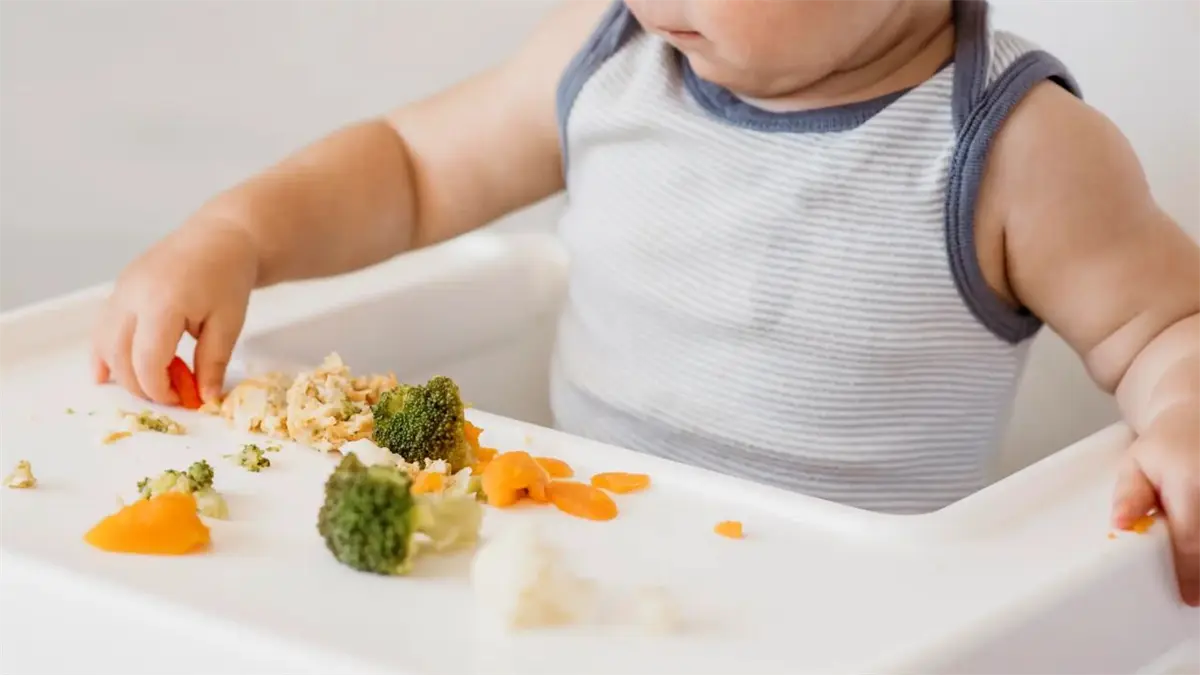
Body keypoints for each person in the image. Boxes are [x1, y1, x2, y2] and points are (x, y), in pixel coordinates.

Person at [92, 0, 1200, 603]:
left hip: (844, 621)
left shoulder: (1018, 151)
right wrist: (240, 235)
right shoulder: (604, 56)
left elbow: (1167, 326)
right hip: (571, 566)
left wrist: (1185, 414)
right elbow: (411, 168)